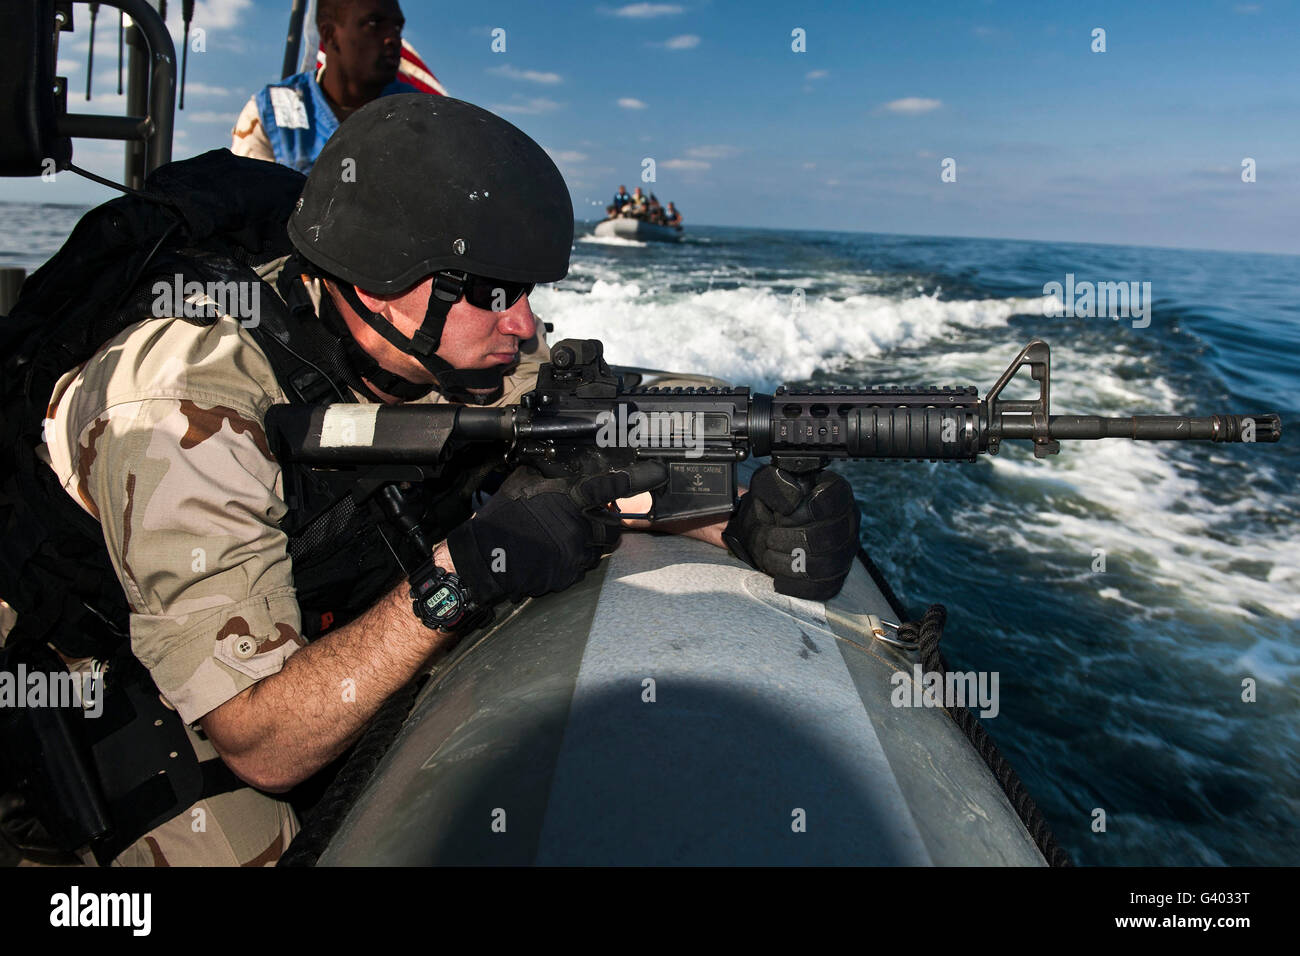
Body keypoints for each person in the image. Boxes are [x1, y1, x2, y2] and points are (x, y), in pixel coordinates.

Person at [8, 96, 859, 866]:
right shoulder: (185, 404)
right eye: (494, 292)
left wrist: (745, 519)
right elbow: (261, 743)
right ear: (382, 278)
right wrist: (460, 578)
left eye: (523, 291)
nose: (523, 324)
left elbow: (611, 432)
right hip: (106, 672)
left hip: (310, 609)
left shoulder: (456, 346)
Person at [230, 0, 422, 172]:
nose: (393, 39)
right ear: (329, 34)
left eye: (397, 27)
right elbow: (247, 206)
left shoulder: (421, 116)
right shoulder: (270, 113)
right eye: (374, 24)